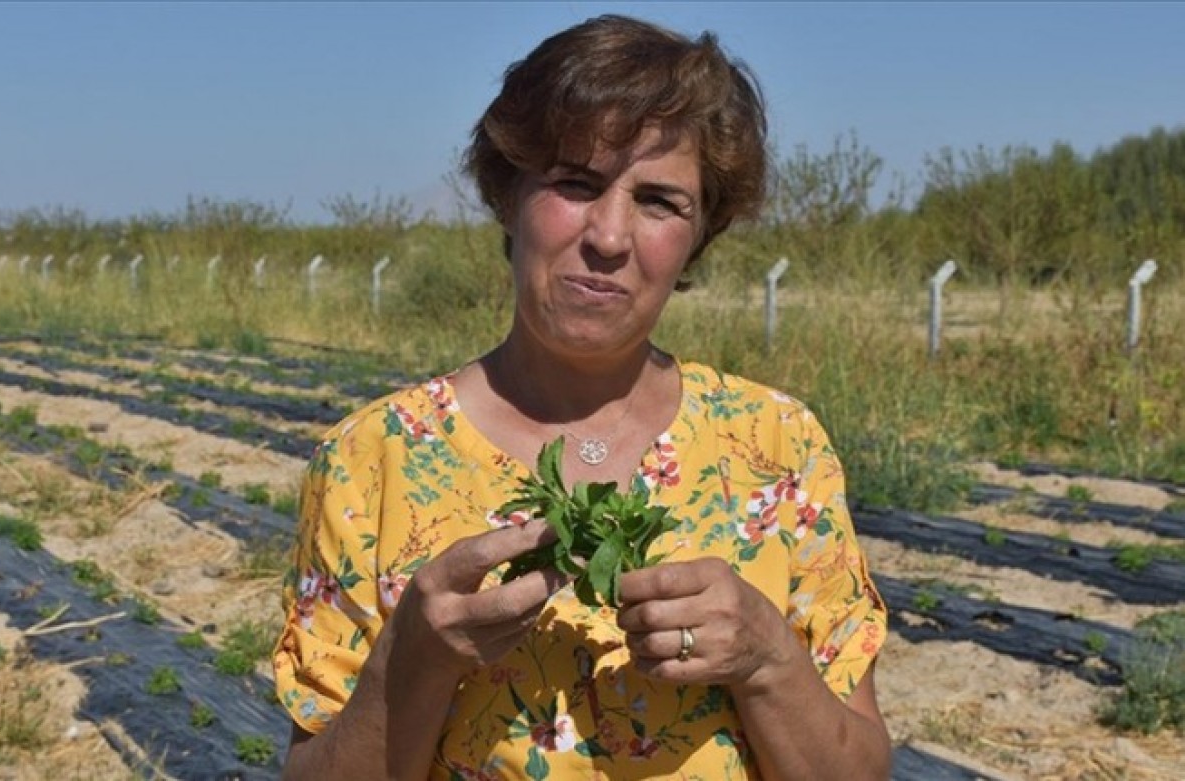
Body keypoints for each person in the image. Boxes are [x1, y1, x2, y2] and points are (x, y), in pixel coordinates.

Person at [274, 14, 890, 780]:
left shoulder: (777, 447)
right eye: (576, 182)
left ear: (697, 235)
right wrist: (414, 658)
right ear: (511, 196)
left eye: (660, 201)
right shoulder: (374, 461)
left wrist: (767, 657)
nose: (609, 234)